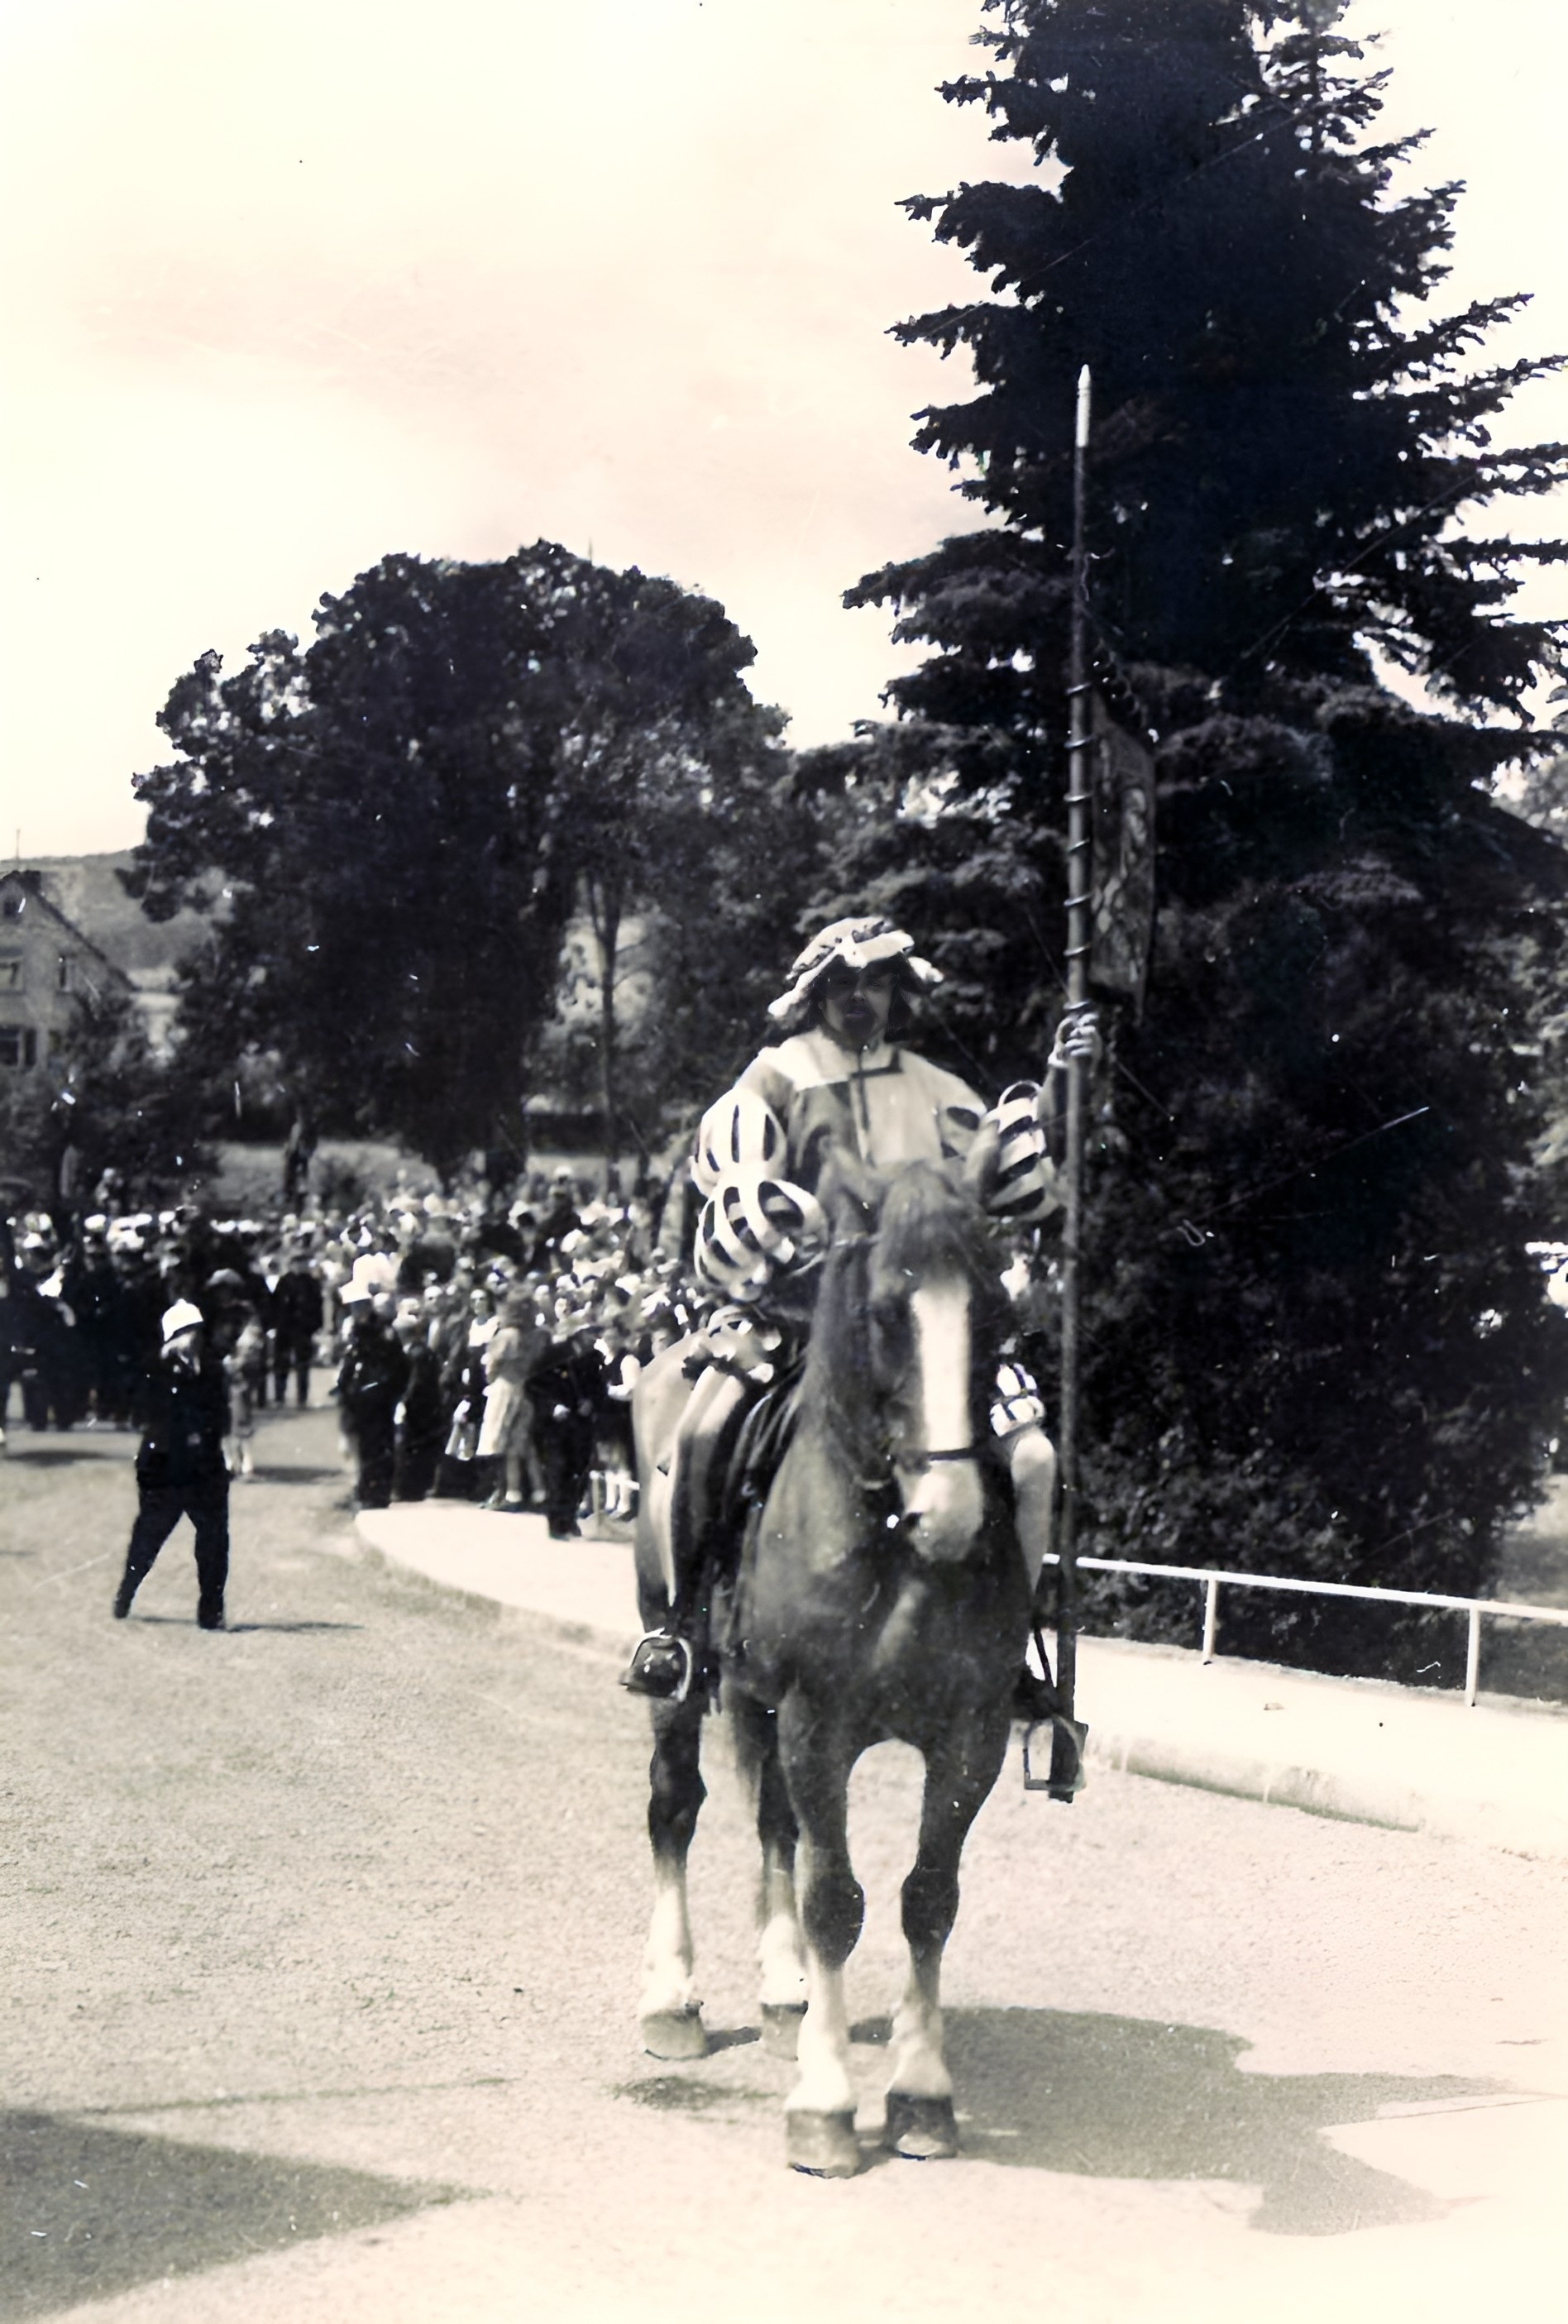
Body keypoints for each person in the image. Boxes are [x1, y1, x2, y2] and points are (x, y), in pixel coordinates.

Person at [621, 913, 1096, 1702]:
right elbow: (739, 1193)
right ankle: (680, 1627)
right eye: (841, 984)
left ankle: (1005, 1648)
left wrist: (1063, 1081)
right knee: (701, 1432)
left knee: (1035, 1461)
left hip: (923, 1330)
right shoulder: (774, 1078)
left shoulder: (939, 1089)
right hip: (797, 1322)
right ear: (815, 995)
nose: (858, 999)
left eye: (874, 983)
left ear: (897, 993)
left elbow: (999, 1171)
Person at [112, 1298, 232, 1628]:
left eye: (196, 1331)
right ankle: (127, 1590)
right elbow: (144, 1409)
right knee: (148, 1536)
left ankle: (211, 1610)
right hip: (165, 1467)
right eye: (185, 1332)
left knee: (214, 1539)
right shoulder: (155, 1369)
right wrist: (165, 1369)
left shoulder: (212, 1369)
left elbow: (220, 1414)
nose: (193, 1338)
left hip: (204, 1467)